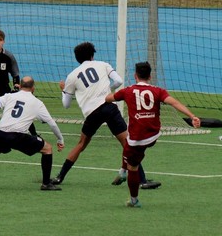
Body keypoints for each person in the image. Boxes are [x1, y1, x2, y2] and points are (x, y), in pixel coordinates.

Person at [51, 42, 160, 188]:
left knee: (81, 144)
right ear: (92, 55)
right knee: (128, 144)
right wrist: (107, 89)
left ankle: (59, 177)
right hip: (109, 107)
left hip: (92, 112)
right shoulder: (103, 64)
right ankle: (142, 180)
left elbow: (66, 104)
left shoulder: (72, 76)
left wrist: (64, 90)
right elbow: (119, 81)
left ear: (77, 58)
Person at [106, 61, 201, 208]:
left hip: (138, 138)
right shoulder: (158, 91)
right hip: (153, 134)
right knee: (126, 143)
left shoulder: (127, 91)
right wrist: (192, 115)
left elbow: (109, 99)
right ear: (150, 76)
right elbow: (174, 103)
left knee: (133, 165)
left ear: (134, 75)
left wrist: (107, 91)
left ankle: (133, 200)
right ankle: (122, 171)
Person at [0, 76, 65, 191]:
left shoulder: (9, 96)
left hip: (0, 133)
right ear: (33, 88)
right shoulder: (37, 103)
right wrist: (60, 139)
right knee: (47, 149)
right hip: (17, 136)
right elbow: (52, 124)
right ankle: (46, 184)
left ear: (20, 86)